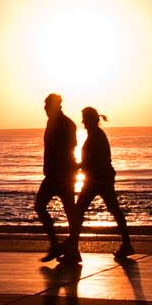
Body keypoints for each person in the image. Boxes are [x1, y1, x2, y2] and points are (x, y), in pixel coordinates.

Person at [64, 106, 133, 262]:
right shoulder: (96, 135)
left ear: (90, 119)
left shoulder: (96, 136)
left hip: (96, 180)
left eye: (85, 119)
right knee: (113, 209)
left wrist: (74, 167)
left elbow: (90, 160)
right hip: (101, 179)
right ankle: (127, 244)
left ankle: (73, 250)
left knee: (79, 211)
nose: (83, 123)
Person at [34, 92, 78, 261]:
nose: (44, 108)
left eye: (46, 105)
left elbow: (68, 148)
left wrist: (61, 171)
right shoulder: (53, 122)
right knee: (64, 210)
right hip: (55, 174)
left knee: (68, 211)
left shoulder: (65, 124)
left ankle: (65, 247)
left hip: (61, 175)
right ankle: (59, 245)